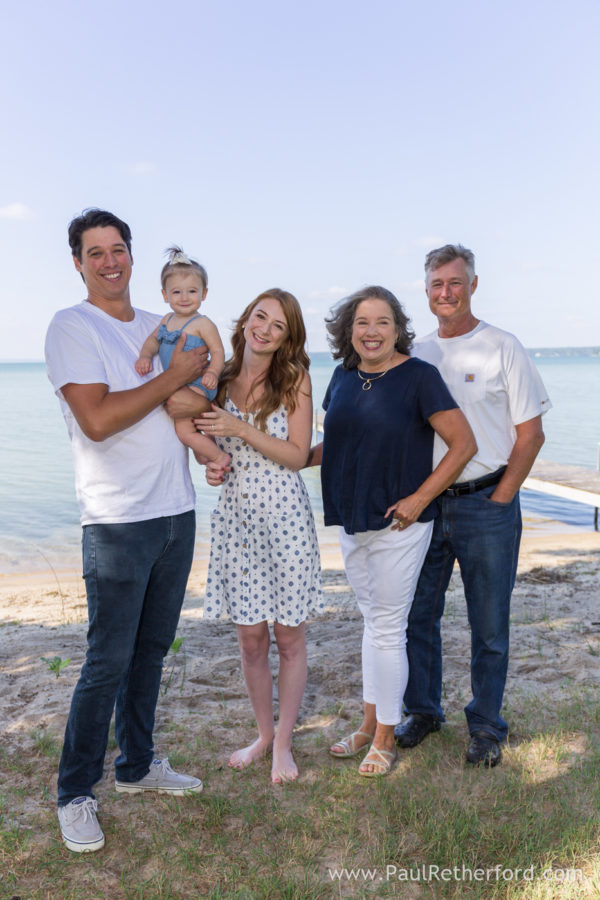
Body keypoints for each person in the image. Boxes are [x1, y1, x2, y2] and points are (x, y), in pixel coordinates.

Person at [45, 209, 205, 854]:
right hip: (116, 521)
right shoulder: (72, 327)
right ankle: (74, 792)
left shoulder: (157, 324)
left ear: (133, 256)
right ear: (78, 263)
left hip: (176, 511)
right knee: (106, 660)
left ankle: (137, 764)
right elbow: (99, 419)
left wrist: (209, 431)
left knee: (152, 651)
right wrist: (174, 378)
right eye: (96, 253)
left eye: (118, 249)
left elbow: (191, 399)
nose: (110, 262)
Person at [309, 286, 476, 777]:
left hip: (400, 523)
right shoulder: (343, 376)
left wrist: (420, 498)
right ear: (348, 330)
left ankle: (385, 736)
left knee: (387, 627)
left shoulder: (420, 377)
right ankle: (368, 725)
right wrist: (288, 457)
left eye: (382, 322)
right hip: (351, 517)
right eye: (362, 322)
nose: (372, 331)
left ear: (398, 329)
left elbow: (463, 444)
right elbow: (337, 442)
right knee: (373, 624)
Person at [395, 244, 551, 767]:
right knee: (418, 615)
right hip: (427, 504)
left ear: (473, 285)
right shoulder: (415, 353)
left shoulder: (503, 346)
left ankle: (485, 726)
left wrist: (502, 496)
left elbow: (531, 435)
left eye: (455, 282)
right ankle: (423, 711)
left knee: (489, 624)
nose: (446, 292)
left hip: (486, 502)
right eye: (437, 284)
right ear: (426, 291)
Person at [197, 289, 323, 784]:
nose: (265, 329)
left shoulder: (294, 379)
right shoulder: (219, 378)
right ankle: (264, 735)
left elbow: (298, 455)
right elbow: (207, 446)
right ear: (246, 319)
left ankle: (284, 744)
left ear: (288, 337)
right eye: (260, 316)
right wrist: (211, 464)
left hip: (285, 518)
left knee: (288, 637)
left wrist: (241, 428)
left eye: (278, 325)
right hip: (236, 520)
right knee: (250, 640)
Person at [135, 246, 229, 469]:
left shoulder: (202, 323)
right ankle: (206, 452)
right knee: (193, 426)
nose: (184, 298)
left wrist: (213, 372)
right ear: (165, 295)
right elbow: (152, 340)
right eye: (177, 292)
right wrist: (145, 356)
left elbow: (218, 351)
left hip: (198, 383)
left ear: (204, 293)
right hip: (179, 383)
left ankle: (219, 458)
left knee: (184, 432)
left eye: (192, 291)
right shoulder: (167, 320)